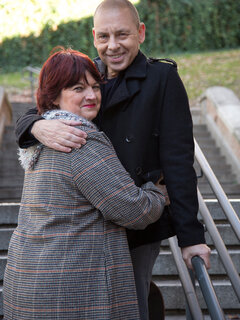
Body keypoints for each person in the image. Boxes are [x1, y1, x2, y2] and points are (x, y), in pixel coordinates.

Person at [15, 0, 211, 320]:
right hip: (88, 224)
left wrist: (191, 237)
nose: (113, 45)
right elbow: (39, 106)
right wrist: (37, 125)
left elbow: (178, 161)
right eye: (104, 37)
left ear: (141, 33)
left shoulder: (162, 79)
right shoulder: (89, 74)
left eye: (122, 35)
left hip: (138, 221)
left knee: (127, 304)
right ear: (94, 37)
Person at [3, 47, 168, 320]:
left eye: (95, 86)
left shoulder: (43, 138)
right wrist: (157, 192)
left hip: (29, 279)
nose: (91, 95)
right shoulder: (80, 141)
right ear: (54, 96)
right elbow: (133, 210)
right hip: (72, 287)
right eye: (78, 88)